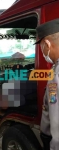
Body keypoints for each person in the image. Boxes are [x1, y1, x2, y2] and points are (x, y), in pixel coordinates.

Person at [35, 18, 59, 150]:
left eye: (41, 46)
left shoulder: (57, 75)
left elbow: (57, 120)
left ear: (47, 44)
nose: (42, 51)